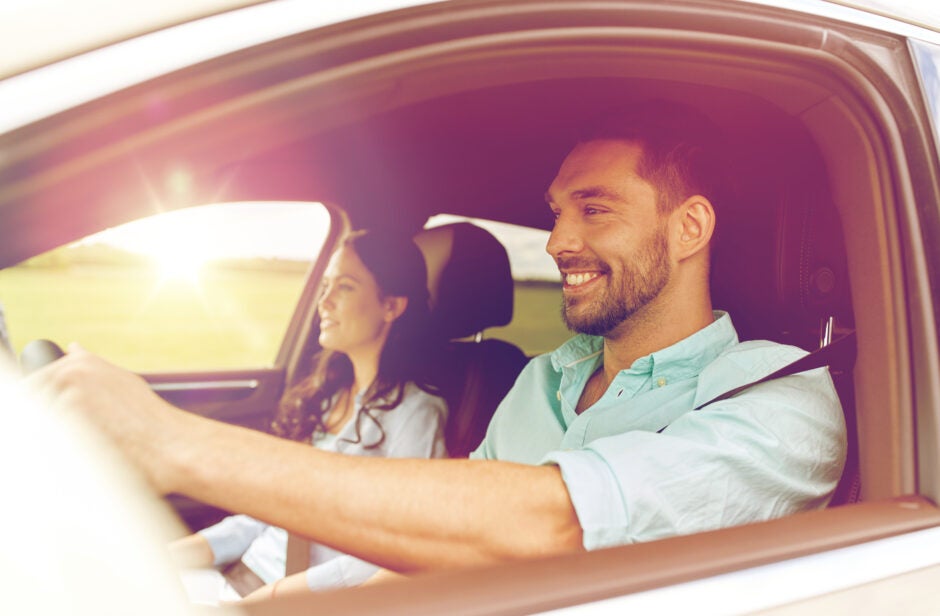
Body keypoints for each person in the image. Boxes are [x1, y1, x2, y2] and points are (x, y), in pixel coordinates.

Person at [29, 100, 846, 580]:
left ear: (690, 226)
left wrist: (172, 442)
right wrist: (285, 598)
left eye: (593, 209)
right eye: (556, 210)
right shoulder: (542, 380)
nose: (559, 241)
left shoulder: (779, 404)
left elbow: (558, 525)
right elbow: (443, 528)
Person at [168, 229, 448, 603]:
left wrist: (279, 597)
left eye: (345, 288)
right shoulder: (328, 397)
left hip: (291, 602)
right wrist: (173, 555)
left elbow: (398, 554)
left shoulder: (416, 414)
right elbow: (270, 513)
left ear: (392, 306)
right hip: (237, 580)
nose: (325, 301)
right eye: (326, 286)